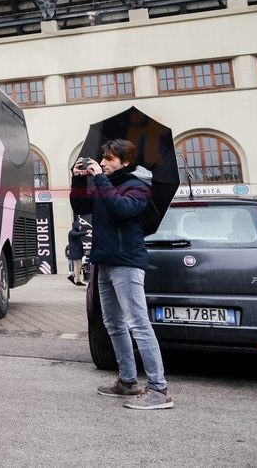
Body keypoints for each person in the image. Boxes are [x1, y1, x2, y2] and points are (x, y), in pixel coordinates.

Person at [70, 139, 173, 410]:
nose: (102, 163)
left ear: (125, 162)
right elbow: (81, 208)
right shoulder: (108, 185)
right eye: (102, 159)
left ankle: (159, 389)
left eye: (109, 159)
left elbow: (123, 209)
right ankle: (128, 382)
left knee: (138, 324)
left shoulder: (137, 186)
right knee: (113, 323)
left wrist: (99, 181)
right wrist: (79, 180)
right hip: (103, 262)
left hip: (126, 263)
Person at [66, 217, 88, 286]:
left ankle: (74, 277)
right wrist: (86, 232)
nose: (80, 227)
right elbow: (76, 234)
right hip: (75, 252)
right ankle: (76, 279)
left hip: (77, 252)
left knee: (78, 265)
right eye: (79, 226)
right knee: (77, 265)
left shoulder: (75, 232)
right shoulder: (72, 232)